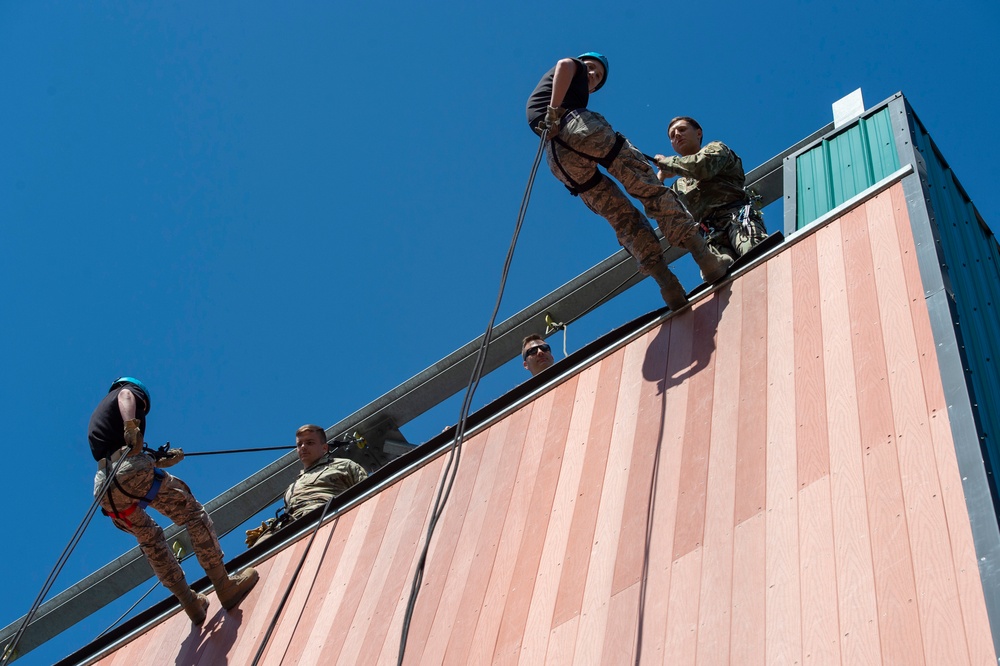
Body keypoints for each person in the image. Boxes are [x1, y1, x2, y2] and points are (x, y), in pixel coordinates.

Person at [527, 53, 733, 310]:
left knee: (620, 216)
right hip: (577, 125)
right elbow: (565, 65)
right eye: (591, 70)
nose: (592, 76)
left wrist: (553, 115)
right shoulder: (571, 72)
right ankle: (707, 261)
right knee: (647, 188)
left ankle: (668, 286)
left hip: (557, 158)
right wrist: (555, 110)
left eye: (597, 77)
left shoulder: (556, 96)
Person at [90, 377, 259, 626]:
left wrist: (158, 460)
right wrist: (131, 425)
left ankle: (190, 603)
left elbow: (124, 459)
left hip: (105, 491)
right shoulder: (126, 392)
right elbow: (127, 398)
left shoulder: (101, 420)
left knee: (150, 539)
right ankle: (224, 586)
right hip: (129, 471)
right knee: (192, 513)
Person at [653, 116, 768, 261]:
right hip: (710, 238)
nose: (677, 135)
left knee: (755, 256)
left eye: (682, 129)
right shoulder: (679, 186)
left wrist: (668, 163)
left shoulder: (716, 149)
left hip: (736, 220)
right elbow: (658, 211)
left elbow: (701, 167)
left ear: (698, 133)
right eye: (672, 135)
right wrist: (660, 177)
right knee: (719, 277)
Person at [246, 424, 368, 547]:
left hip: (322, 517)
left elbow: (368, 492)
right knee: (255, 553)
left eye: (309, 443)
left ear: (324, 448)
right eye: (300, 444)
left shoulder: (343, 466)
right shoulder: (292, 487)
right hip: (290, 526)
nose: (303, 447)